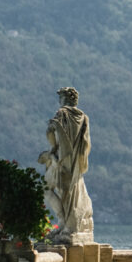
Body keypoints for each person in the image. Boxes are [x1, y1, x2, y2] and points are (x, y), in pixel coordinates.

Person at [38, 87, 94, 243]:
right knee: (69, 193)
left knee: (46, 188)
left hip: (61, 160)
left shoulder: (61, 114)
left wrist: (52, 131)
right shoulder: (83, 117)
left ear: (64, 99)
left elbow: (53, 138)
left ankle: (63, 221)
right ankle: (67, 224)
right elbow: (86, 144)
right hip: (75, 163)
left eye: (60, 98)